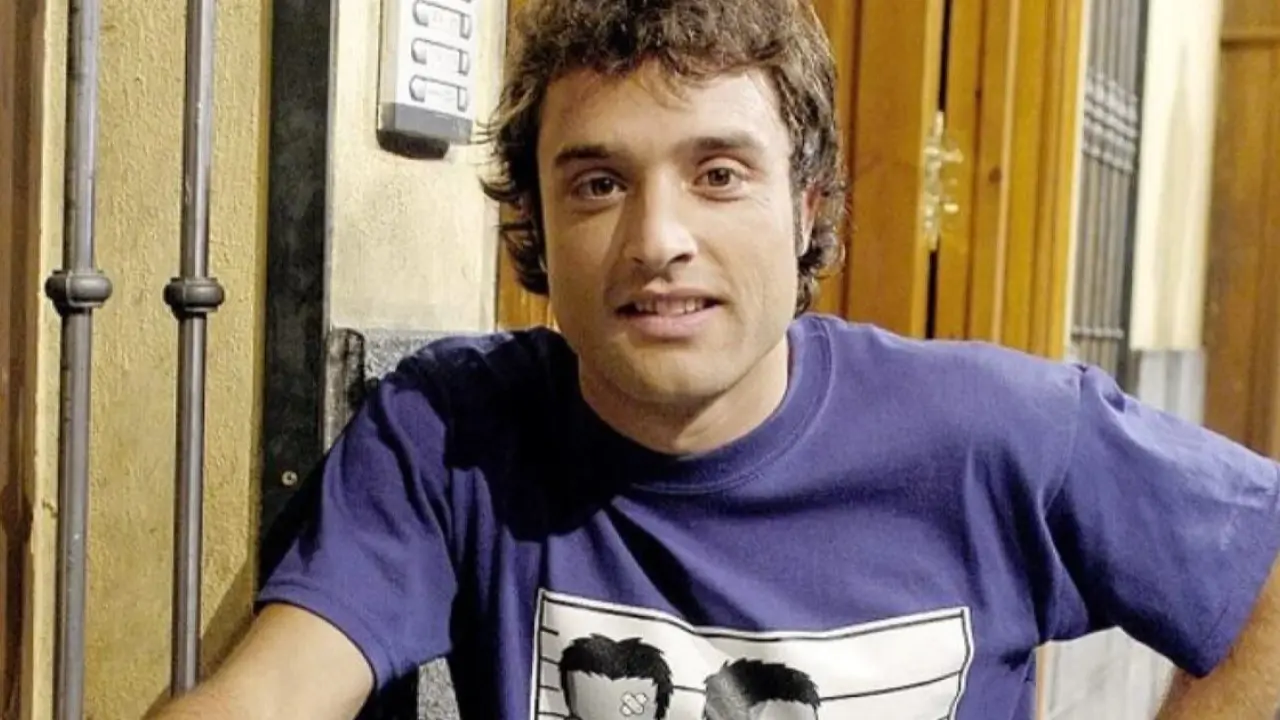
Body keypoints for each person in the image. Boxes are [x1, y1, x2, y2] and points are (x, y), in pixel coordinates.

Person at [153, 0, 1280, 718]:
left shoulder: (1002, 433)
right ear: (536, 225)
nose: (657, 240)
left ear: (807, 208)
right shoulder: (450, 436)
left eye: (719, 175)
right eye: (598, 182)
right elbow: (274, 691)